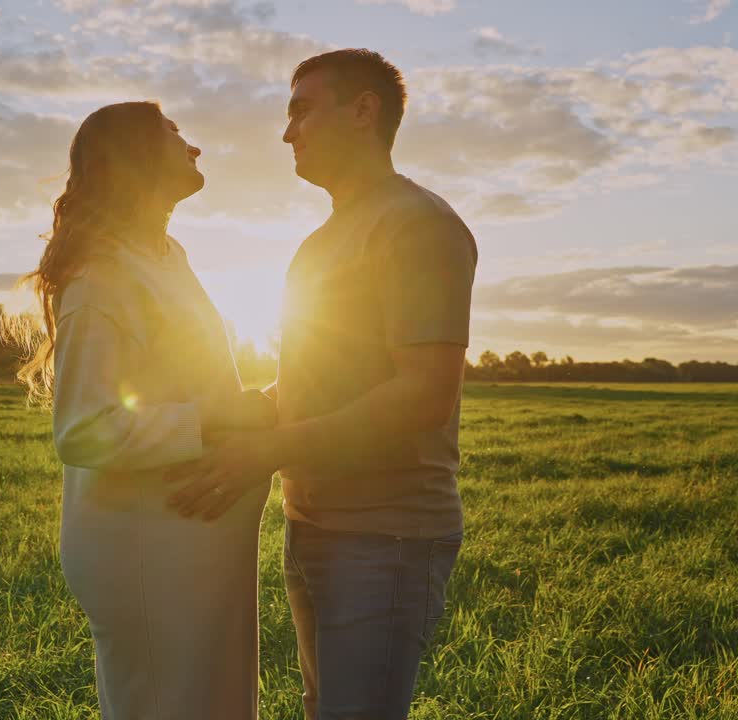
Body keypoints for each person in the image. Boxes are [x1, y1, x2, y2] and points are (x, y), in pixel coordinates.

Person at [167, 49, 478, 719]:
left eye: (302, 110)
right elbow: (312, 384)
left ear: (364, 111)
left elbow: (425, 392)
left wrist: (269, 451)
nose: (288, 133)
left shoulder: (416, 225)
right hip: (314, 525)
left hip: (385, 537)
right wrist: (236, 416)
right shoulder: (321, 243)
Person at [11, 101, 276, 720]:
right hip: (147, 548)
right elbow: (84, 431)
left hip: (193, 542)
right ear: (134, 158)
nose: (195, 146)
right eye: (175, 133)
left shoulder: (165, 254)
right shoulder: (103, 275)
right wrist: (220, 417)